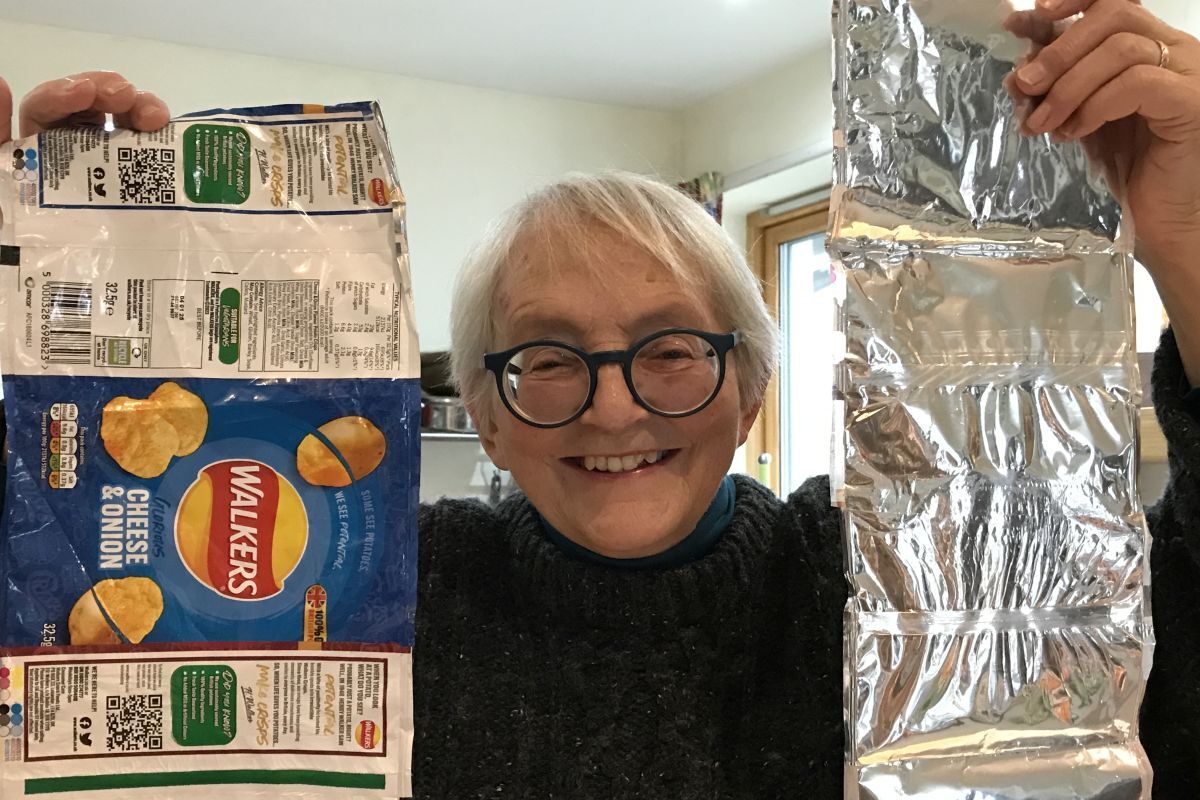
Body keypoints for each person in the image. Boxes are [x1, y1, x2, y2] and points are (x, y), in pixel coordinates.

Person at [3, 0, 1200, 796]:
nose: (615, 408)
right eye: (549, 357)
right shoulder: (382, 594)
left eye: (671, 347)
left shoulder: (881, 570)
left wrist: (1190, 234)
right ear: (482, 403)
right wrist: (62, 303)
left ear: (754, 384)